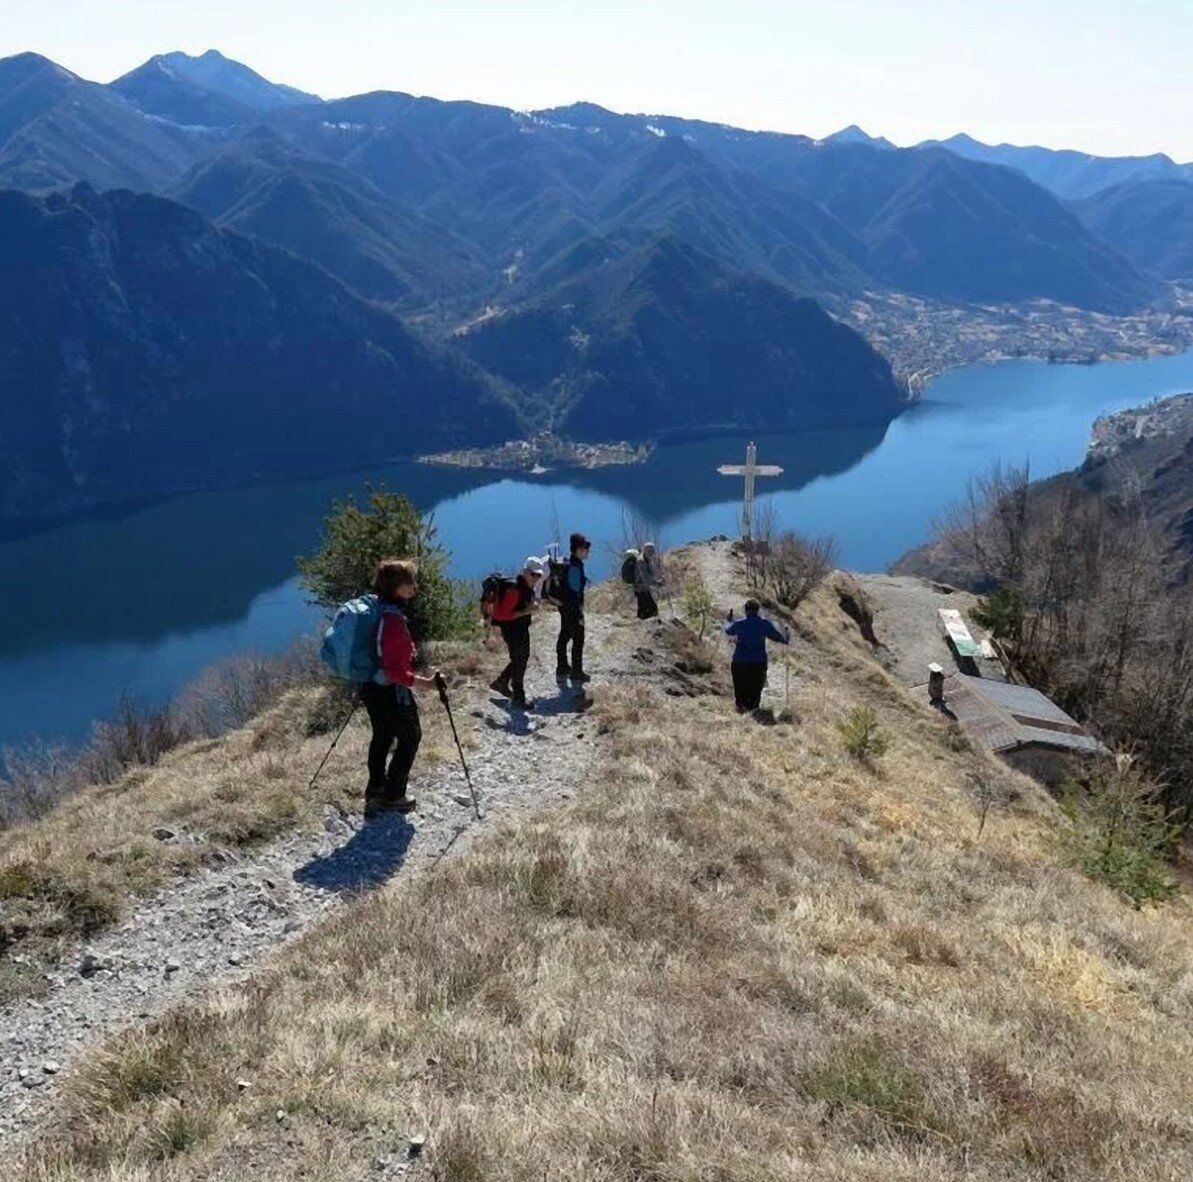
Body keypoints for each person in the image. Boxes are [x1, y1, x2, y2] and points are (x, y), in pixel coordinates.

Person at [359, 559, 440, 816]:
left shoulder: (379, 609)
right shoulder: (392, 620)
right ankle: (394, 795)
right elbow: (394, 672)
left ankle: (376, 789)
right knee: (411, 736)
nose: (415, 586)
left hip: (370, 686)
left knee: (382, 735)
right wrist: (426, 683)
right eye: (410, 582)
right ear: (396, 587)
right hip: (389, 690)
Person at [489, 556, 544, 709]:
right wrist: (527, 610)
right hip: (512, 630)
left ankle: (501, 682)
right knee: (520, 660)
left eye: (538, 575)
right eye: (533, 574)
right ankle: (518, 698)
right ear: (525, 572)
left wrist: (532, 605)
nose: (536, 578)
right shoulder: (515, 589)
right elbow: (501, 614)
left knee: (520, 658)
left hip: (520, 629)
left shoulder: (525, 587)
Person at [724, 599, 789, 712]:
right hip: (758, 662)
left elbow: (728, 631)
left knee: (740, 687)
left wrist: (728, 620)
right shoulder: (764, 624)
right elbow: (778, 638)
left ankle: (741, 709)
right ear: (758, 610)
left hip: (740, 661)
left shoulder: (740, 624)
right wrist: (786, 636)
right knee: (755, 689)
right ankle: (754, 710)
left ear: (746, 610)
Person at [554, 532, 591, 683]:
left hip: (564, 607)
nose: (588, 552)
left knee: (564, 636)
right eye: (586, 549)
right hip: (572, 608)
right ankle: (576, 672)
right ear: (579, 549)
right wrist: (579, 614)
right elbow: (574, 592)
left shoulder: (569, 563)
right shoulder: (575, 566)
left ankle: (562, 667)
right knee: (578, 639)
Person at [634, 541, 662, 620]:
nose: (652, 553)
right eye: (650, 551)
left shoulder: (646, 559)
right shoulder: (641, 561)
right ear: (646, 550)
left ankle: (641, 624)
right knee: (650, 610)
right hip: (640, 589)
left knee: (646, 610)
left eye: (652, 551)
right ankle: (642, 625)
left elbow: (651, 573)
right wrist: (656, 583)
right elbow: (645, 577)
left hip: (644, 588)